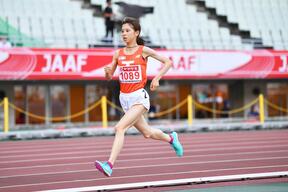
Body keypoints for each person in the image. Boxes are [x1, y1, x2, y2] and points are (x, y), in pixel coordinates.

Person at [95, 17, 183, 177]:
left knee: (119, 128)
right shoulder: (117, 54)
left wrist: (157, 78)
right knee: (148, 133)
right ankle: (171, 138)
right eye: (122, 31)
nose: (124, 34)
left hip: (139, 98)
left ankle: (109, 164)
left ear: (136, 33)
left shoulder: (143, 50)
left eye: (127, 31)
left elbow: (168, 62)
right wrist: (107, 71)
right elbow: (109, 77)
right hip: (125, 99)